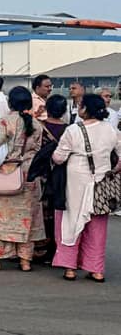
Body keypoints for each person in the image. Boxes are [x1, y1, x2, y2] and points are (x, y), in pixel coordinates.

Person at [0, 86, 44, 272]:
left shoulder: (6, 122)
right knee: (27, 219)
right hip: (29, 176)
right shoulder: (36, 125)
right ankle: (25, 261)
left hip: (6, 175)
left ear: (10, 103)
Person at [52, 94, 121, 282]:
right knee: (98, 225)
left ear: (85, 109)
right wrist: (112, 169)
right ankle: (96, 269)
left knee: (71, 222)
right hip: (102, 183)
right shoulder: (111, 130)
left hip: (76, 182)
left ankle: (70, 268)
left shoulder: (73, 130)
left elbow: (59, 157)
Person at [34, 94, 70, 262]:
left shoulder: (39, 127)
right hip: (63, 175)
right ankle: (58, 248)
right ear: (64, 111)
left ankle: (40, 247)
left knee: (42, 212)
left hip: (42, 175)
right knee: (60, 212)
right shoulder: (70, 130)